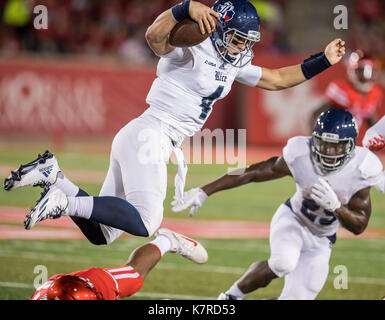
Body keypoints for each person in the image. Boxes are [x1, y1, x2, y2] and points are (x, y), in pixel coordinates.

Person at [3, 0, 346, 247]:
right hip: (150, 135)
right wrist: (183, 9)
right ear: (219, 27)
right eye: (238, 38)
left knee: (102, 234)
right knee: (147, 222)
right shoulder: (194, 46)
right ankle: (63, 203)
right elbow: (155, 37)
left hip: (144, 137)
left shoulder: (232, 61)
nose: (242, 46)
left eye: (247, 41)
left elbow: (276, 78)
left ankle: (54, 177)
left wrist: (323, 61)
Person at [172, 108, 384, 300]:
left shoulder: (363, 169)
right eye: (324, 144)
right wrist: (205, 191)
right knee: (283, 262)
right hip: (293, 219)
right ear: (314, 139)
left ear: (350, 146)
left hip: (322, 239)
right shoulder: (301, 154)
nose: (329, 153)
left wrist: (336, 207)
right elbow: (253, 172)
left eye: (336, 147)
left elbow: (359, 226)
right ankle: (230, 298)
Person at [31, 228, 208, 300]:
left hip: (90, 282)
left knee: (134, 275)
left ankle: (166, 241)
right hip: (66, 288)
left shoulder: (97, 287)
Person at [309, 50, 383, 131]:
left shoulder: (375, 93)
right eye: (359, 70)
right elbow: (315, 114)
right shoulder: (341, 89)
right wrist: (314, 136)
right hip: (331, 136)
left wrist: (376, 137)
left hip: (349, 139)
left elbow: (370, 118)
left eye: (368, 71)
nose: (364, 75)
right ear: (351, 71)